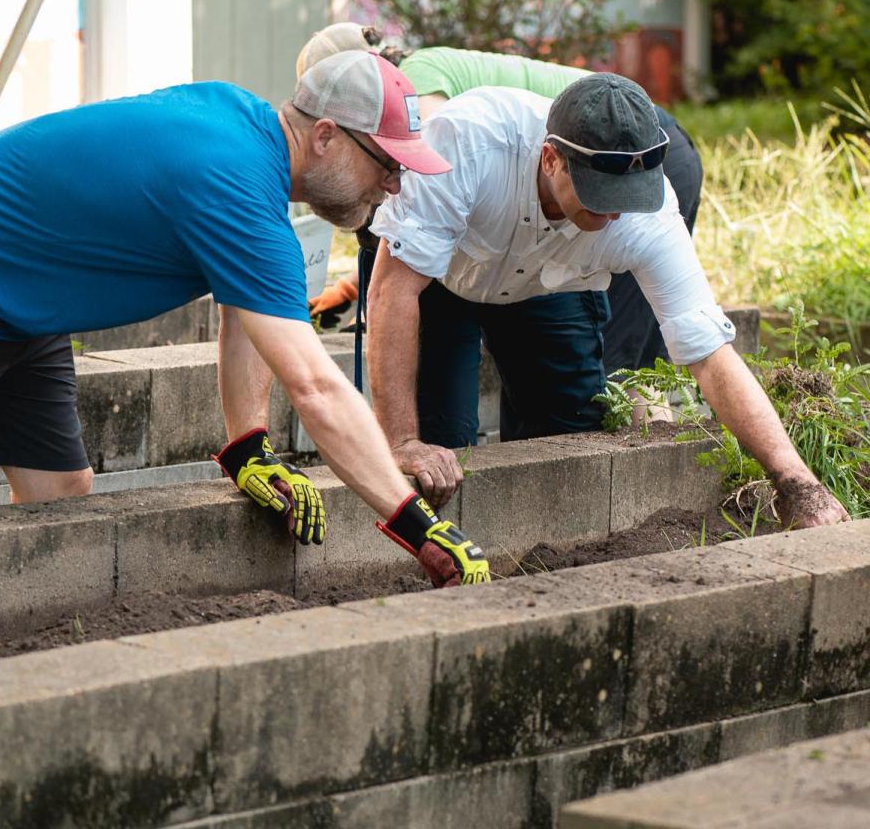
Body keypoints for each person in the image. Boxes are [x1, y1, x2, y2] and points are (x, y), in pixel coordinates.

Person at [0, 50, 491, 588]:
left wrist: (248, 447)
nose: (394, 184)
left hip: (19, 301)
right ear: (326, 136)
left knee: (59, 491)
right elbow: (315, 388)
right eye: (387, 164)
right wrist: (420, 529)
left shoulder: (244, 132)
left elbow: (246, 305)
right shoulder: (234, 186)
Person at [362, 70, 848, 531]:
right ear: (551, 159)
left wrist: (797, 483)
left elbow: (708, 351)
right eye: (599, 193)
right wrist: (402, 440)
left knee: (568, 438)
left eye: (628, 195)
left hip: (548, 286)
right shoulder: (465, 143)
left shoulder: (647, 215)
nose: (616, 210)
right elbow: (393, 289)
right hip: (440, 279)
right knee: (438, 450)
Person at [300, 26, 702, 381]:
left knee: (622, 358)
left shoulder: (415, 85)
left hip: (637, 154)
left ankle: (643, 430)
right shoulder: (429, 72)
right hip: (602, 160)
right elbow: (426, 215)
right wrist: (353, 287)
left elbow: (431, 179)